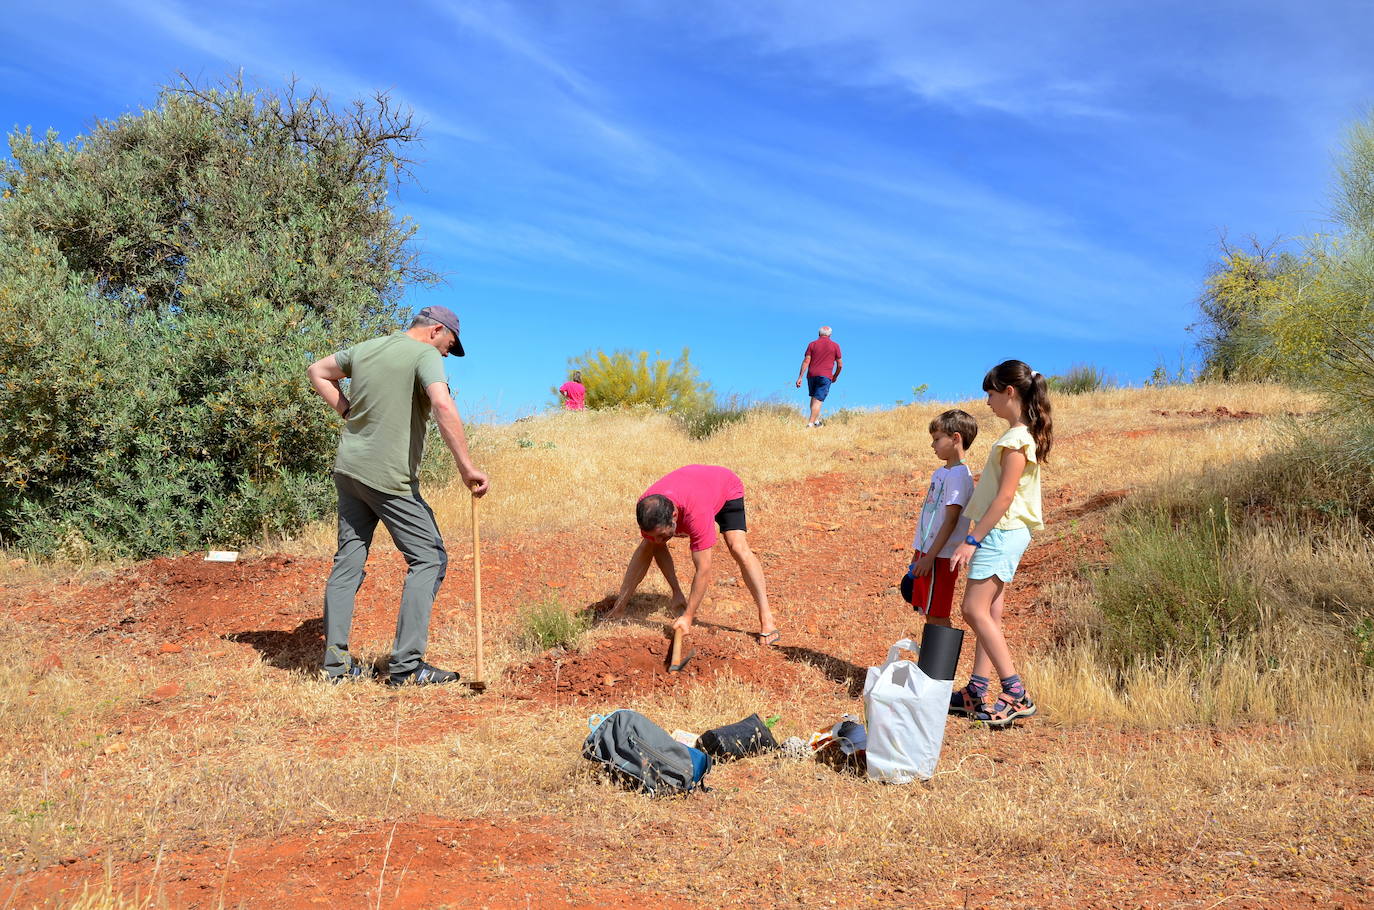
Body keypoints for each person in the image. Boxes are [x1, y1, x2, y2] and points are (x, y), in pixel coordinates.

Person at [306, 305, 490, 687]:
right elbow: (442, 404)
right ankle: (406, 668)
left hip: (349, 470)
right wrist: (466, 467)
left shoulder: (369, 347)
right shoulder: (423, 354)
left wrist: (348, 412)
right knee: (429, 558)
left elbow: (317, 371)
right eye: (448, 346)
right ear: (436, 331)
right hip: (388, 479)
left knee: (347, 564)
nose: (444, 355)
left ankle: (335, 669)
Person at [948, 360, 1053, 728]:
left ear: (1010, 392)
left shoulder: (1015, 440)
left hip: (1001, 531)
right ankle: (976, 691)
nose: (988, 402)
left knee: (973, 610)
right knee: (989, 612)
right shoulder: (1022, 436)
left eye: (991, 393)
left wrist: (972, 540)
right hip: (1007, 531)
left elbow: (1004, 497)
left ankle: (1015, 692)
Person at [604, 464, 779, 644]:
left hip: (725, 486)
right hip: (694, 483)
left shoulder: (696, 514)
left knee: (737, 546)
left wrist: (687, 617)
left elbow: (703, 569)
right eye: (653, 535)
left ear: (674, 516)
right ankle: (619, 607)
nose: (657, 540)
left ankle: (767, 619)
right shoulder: (647, 509)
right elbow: (655, 547)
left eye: (662, 535)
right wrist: (676, 592)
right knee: (646, 547)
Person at [901, 409, 978, 629]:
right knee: (928, 609)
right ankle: (931, 662)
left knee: (937, 613)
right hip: (927, 552)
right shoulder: (941, 472)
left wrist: (929, 557)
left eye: (936, 439)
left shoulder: (959, 475)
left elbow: (951, 519)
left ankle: (939, 662)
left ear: (956, 438)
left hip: (940, 556)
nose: (932, 445)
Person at [795, 326, 842, 427]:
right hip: (825, 376)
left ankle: (816, 422)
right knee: (818, 400)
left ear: (819, 334)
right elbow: (840, 364)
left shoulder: (812, 344)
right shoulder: (835, 346)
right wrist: (835, 376)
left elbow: (806, 361)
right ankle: (810, 424)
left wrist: (800, 377)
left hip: (811, 375)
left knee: (814, 398)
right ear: (830, 335)